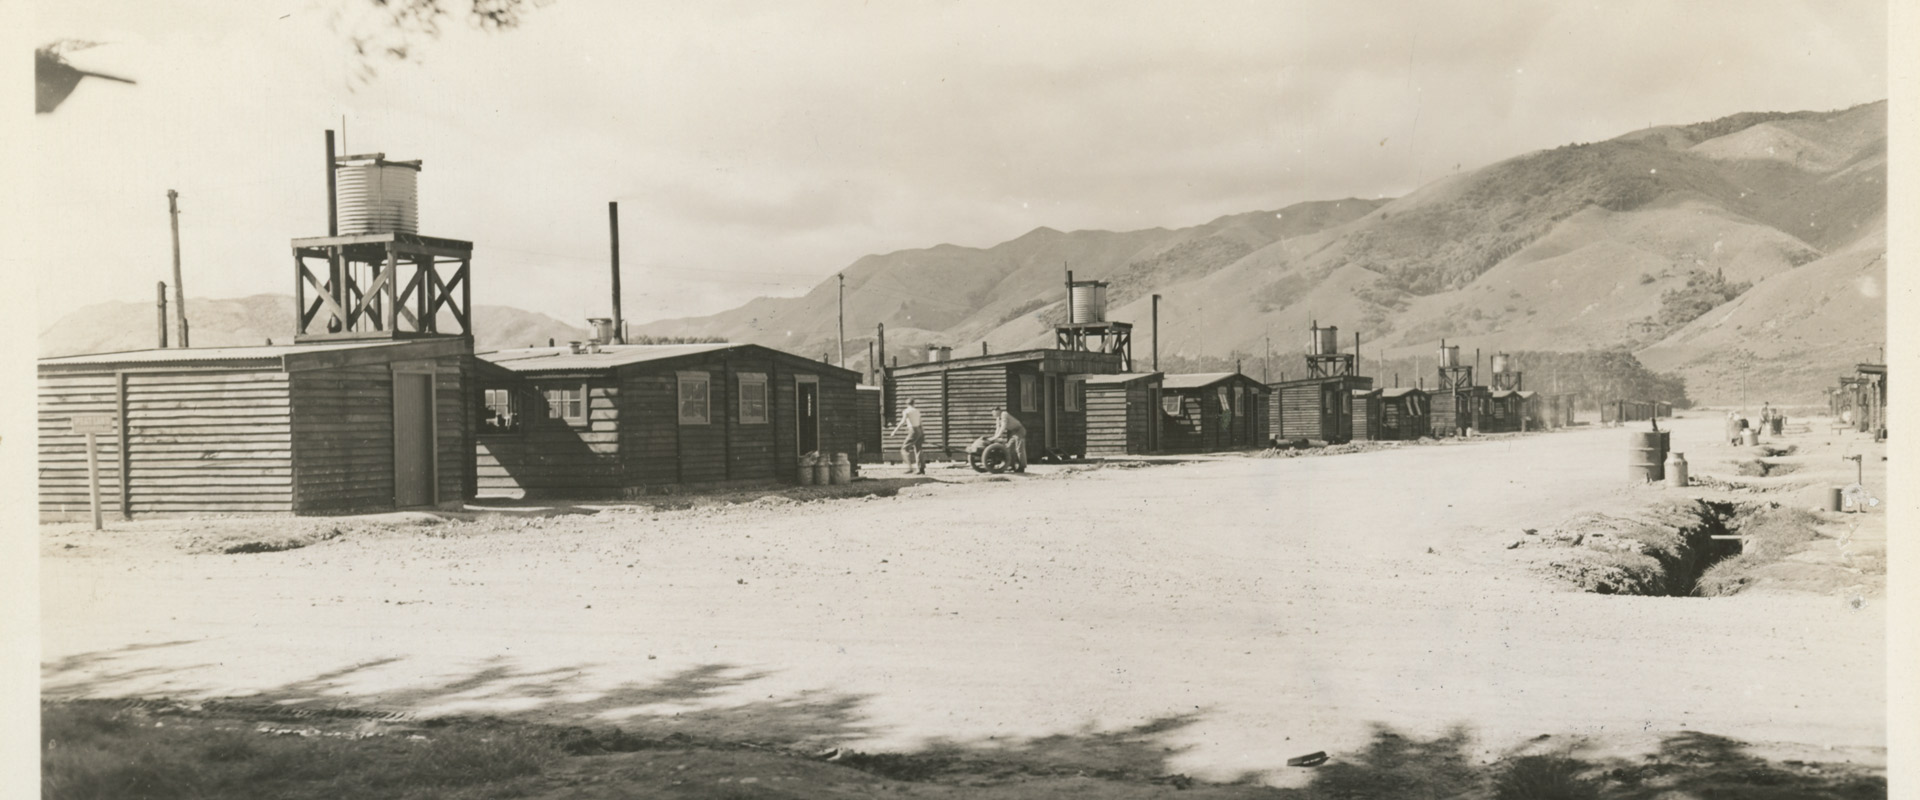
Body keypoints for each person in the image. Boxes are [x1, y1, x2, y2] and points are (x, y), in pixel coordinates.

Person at [891, 398, 925, 475]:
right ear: (914, 403)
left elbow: (902, 422)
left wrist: (894, 431)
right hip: (919, 430)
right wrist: (922, 433)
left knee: (904, 449)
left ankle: (910, 468)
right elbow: (920, 423)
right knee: (918, 449)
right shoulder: (917, 411)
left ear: (907, 404)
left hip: (913, 430)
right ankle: (921, 469)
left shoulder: (906, 411)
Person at [992, 406, 1027, 472]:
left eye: (994, 413)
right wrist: (994, 438)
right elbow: (998, 429)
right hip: (1014, 432)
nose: (993, 414)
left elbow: (1003, 427)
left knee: (1019, 448)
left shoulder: (1004, 414)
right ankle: (1012, 465)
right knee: (1009, 448)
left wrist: (997, 436)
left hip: (1019, 430)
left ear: (998, 411)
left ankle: (1022, 467)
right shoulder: (998, 418)